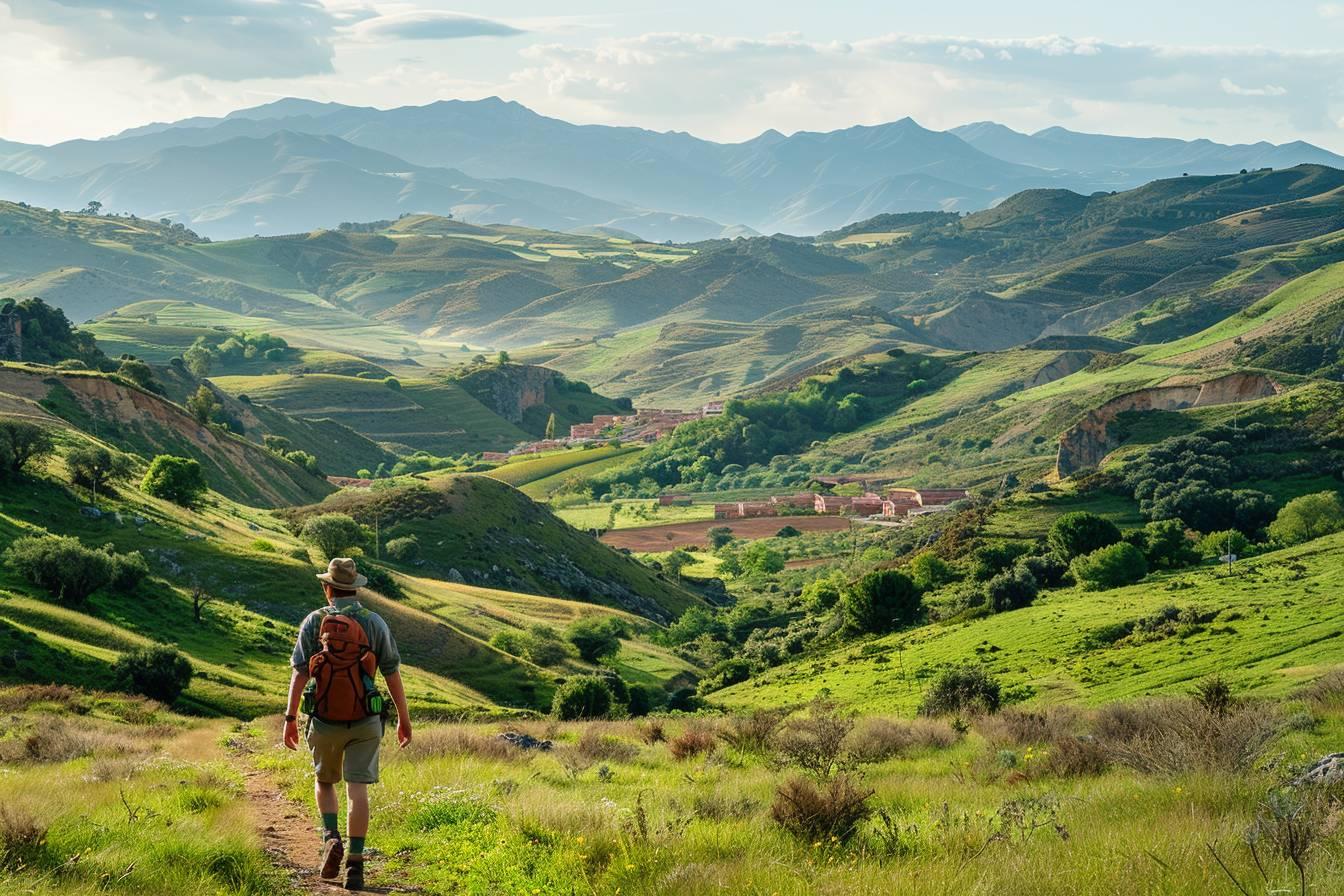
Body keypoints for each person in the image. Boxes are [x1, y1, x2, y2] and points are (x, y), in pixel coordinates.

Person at [283, 557, 412, 891]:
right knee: (358, 789)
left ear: (328, 589)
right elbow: (392, 672)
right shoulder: (375, 623)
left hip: (324, 719)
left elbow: (300, 672)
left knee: (324, 782)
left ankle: (330, 836)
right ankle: (355, 865)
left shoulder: (314, 622)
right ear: (356, 589)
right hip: (366, 719)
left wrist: (290, 718)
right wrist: (403, 719)